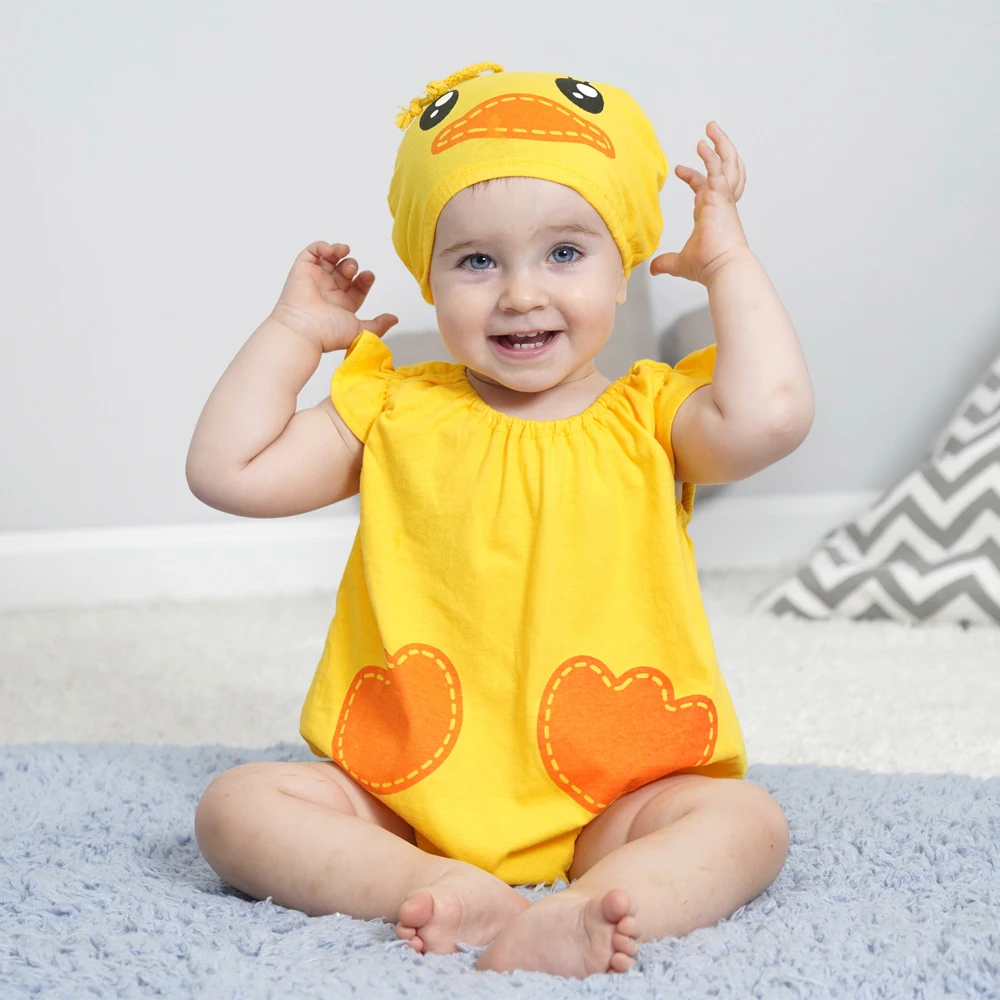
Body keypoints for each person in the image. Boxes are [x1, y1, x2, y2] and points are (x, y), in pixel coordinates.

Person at [186, 62, 814, 979]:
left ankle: (582, 909)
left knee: (746, 824)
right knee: (235, 809)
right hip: (402, 790)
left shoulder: (651, 417)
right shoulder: (391, 410)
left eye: (565, 253)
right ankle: (424, 881)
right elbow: (227, 472)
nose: (520, 293)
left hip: (616, 797)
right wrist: (292, 330)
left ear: (625, 261)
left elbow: (773, 415)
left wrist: (727, 263)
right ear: (430, 278)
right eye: (477, 260)